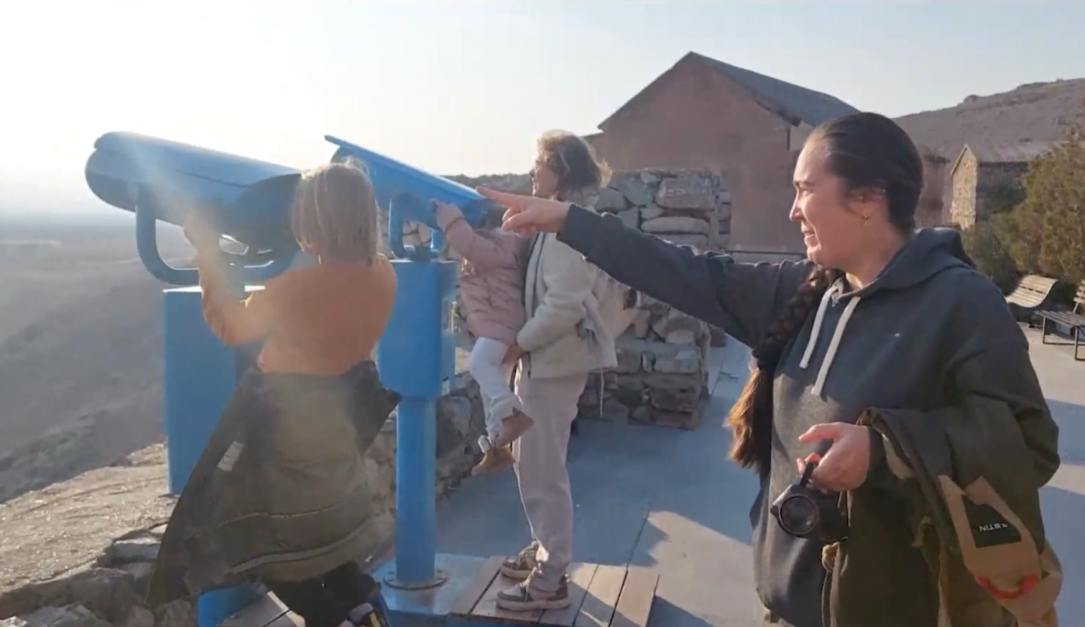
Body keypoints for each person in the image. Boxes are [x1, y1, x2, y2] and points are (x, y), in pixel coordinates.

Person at [480, 113, 1062, 626]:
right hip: (787, 608)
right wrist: (571, 222)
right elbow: (687, 273)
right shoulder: (806, 292)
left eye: (806, 189)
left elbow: (1029, 443)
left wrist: (886, 452)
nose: (792, 209)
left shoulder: (961, 304)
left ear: (867, 198)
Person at [147, 160, 400, 627]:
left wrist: (207, 251)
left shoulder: (295, 289)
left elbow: (230, 324)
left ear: (313, 221)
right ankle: (366, 615)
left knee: (272, 558)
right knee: (325, 551)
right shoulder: (383, 274)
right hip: (336, 432)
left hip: (287, 438)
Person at [491, 130, 630, 612]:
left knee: (542, 468)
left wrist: (517, 343)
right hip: (544, 362)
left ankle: (551, 576)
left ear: (561, 173)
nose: (532, 172)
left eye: (539, 164)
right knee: (531, 460)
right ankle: (544, 547)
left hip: (552, 364)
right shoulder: (556, 227)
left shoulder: (568, 234)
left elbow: (564, 305)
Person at [432, 200, 534, 474]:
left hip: (499, 324)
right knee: (491, 388)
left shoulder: (501, 245)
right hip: (498, 324)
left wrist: (450, 218)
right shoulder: (500, 250)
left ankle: (513, 414)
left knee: (478, 365)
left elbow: (470, 244)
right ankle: (496, 446)